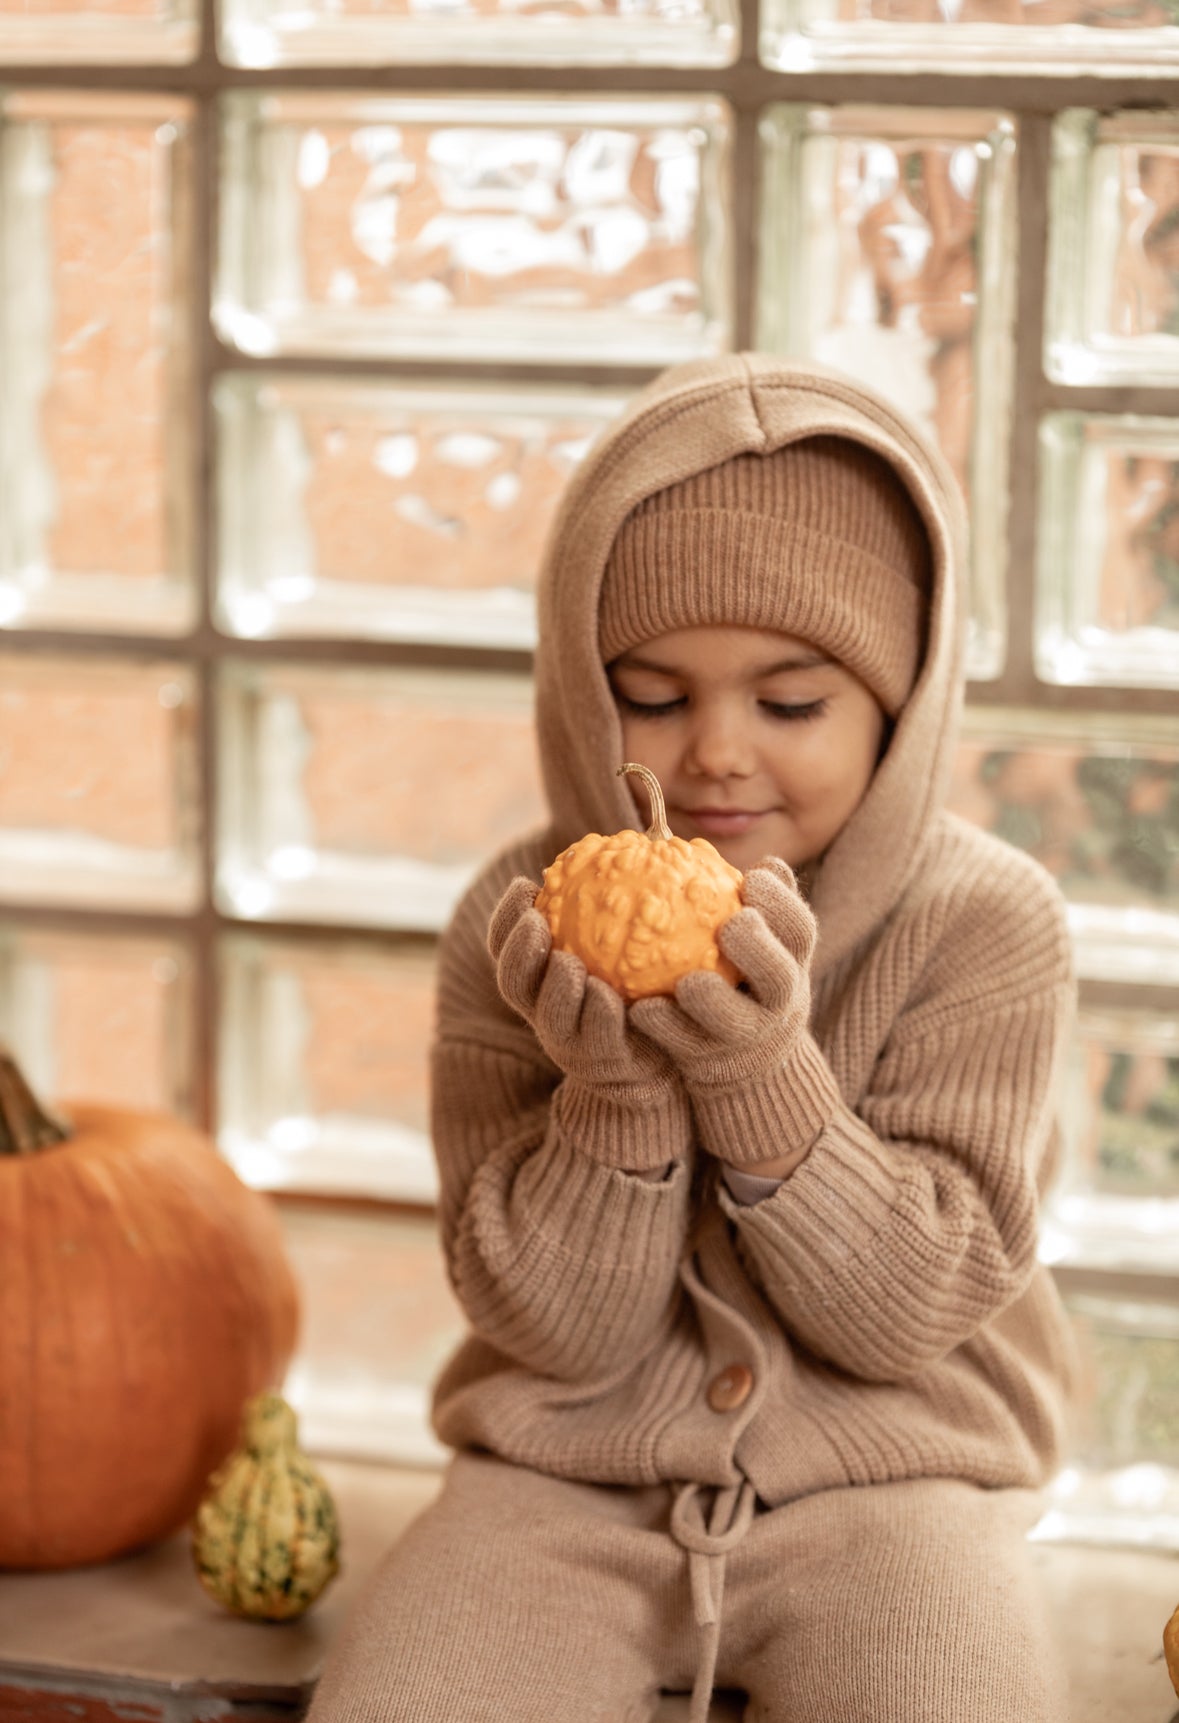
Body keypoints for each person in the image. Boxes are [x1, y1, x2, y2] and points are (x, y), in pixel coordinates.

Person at [308, 353, 1077, 1723]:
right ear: (579, 693)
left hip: (902, 1483)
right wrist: (616, 1096)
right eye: (654, 698)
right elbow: (553, 1333)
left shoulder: (985, 924)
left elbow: (907, 1314)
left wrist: (759, 1077)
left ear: (900, 710)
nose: (715, 751)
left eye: (791, 703)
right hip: (554, 1481)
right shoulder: (518, 922)